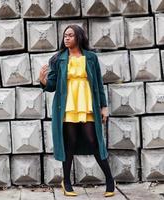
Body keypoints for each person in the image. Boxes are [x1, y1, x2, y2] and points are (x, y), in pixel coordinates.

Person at [39, 24, 116, 197]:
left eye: (70, 35)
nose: (66, 38)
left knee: (94, 141)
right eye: (65, 35)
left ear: (79, 37)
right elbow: (52, 86)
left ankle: (110, 180)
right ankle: (66, 182)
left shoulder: (91, 58)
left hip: (88, 105)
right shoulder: (58, 59)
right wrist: (43, 81)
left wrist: (104, 107)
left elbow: (98, 84)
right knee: (70, 144)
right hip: (67, 107)